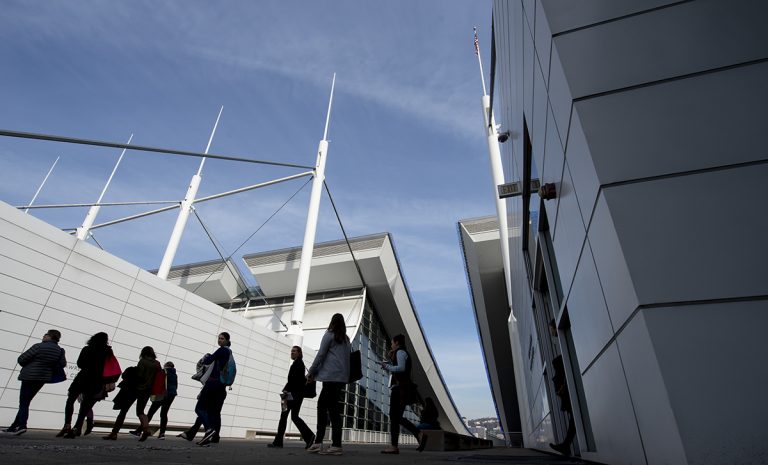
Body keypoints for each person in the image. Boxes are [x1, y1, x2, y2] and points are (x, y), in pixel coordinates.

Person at [3, 330, 66, 435]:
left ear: (50, 336)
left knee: (24, 402)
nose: (43, 336)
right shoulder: (60, 350)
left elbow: (22, 359)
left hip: (29, 376)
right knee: (26, 401)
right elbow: (62, 364)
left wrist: (31, 365)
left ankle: (22, 426)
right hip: (43, 378)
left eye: (45, 334)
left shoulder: (38, 346)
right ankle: (14, 426)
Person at [306, 313, 350, 456]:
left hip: (331, 378)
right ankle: (322, 442)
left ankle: (330, 444)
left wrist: (311, 372)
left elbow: (321, 355)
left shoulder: (329, 335)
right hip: (341, 378)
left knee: (326, 408)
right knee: (331, 408)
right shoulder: (346, 339)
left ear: (332, 322)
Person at [59, 332, 112, 439]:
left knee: (70, 400)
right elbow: (111, 367)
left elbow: (80, 364)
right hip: (97, 380)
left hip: (83, 377)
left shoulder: (87, 349)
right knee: (85, 406)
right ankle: (77, 428)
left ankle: (67, 425)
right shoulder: (108, 352)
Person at [103, 346, 160, 441]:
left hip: (135, 389)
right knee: (141, 412)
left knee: (123, 411)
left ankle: (114, 433)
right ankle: (145, 430)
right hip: (147, 391)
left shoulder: (142, 361)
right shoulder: (157, 364)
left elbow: (140, 376)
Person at [380, 334, 421, 454]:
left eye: (392, 343)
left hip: (399, 389)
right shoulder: (400, 353)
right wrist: (390, 363)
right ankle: (398, 443)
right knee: (396, 417)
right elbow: (399, 367)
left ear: (397, 343)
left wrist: (387, 366)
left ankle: (397, 444)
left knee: (394, 416)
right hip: (401, 388)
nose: (391, 345)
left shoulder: (400, 352)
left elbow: (401, 368)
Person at [268, 346, 315, 449]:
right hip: (295, 395)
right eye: (291, 351)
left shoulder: (298, 364)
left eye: (294, 351)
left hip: (293, 395)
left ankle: (279, 441)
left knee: (286, 416)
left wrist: (286, 391)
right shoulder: (298, 364)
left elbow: (294, 381)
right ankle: (309, 437)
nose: (292, 353)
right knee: (292, 417)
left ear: (299, 353)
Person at [194, 332, 232, 446]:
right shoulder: (229, 352)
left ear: (227, 340)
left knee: (200, 408)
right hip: (221, 385)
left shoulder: (222, 350)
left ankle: (209, 430)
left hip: (212, 383)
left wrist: (206, 356)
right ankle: (214, 436)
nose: (220, 340)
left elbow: (207, 361)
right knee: (215, 412)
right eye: (219, 338)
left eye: (222, 338)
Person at [130, 361, 177, 439]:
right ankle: (162, 434)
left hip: (161, 394)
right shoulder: (175, 374)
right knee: (164, 414)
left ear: (166, 365)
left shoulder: (163, 371)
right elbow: (176, 386)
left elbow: (158, 383)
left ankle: (139, 431)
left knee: (151, 413)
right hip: (171, 395)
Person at [549, 354, 576, 456]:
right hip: (570, 400)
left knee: (573, 422)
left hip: (569, 400)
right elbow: (559, 392)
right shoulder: (562, 374)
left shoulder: (561, 374)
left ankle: (566, 446)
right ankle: (566, 446)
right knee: (574, 422)